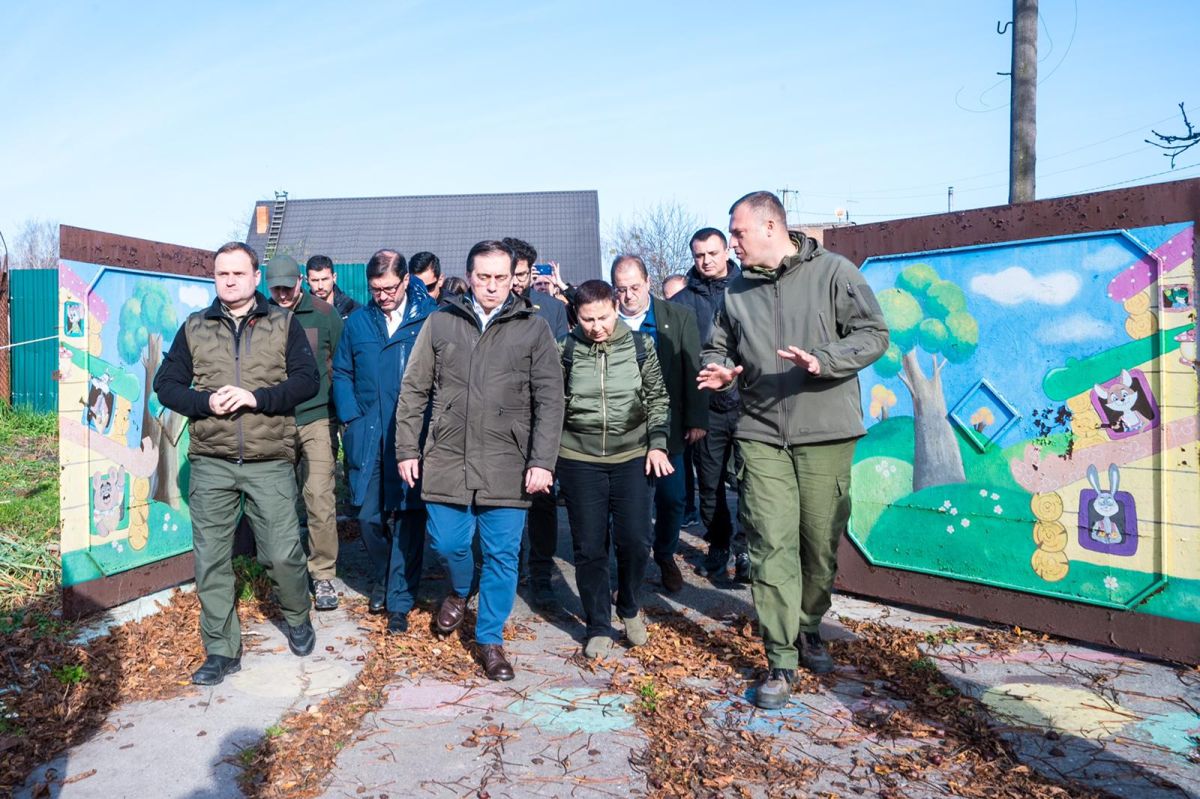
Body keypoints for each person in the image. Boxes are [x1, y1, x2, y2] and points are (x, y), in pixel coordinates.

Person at [698, 191, 889, 708]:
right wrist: (722, 369)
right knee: (769, 544)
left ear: (770, 226)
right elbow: (719, 344)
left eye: (738, 233)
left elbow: (874, 334)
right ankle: (780, 658)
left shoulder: (834, 273)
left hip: (825, 432)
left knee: (818, 545)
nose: (732, 243)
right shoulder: (736, 290)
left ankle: (808, 626)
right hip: (760, 432)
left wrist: (824, 360)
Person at [395, 240, 564, 681]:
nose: (491, 286)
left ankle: (490, 639)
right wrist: (407, 448)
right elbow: (414, 389)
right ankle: (459, 587)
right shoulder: (441, 322)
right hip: (448, 455)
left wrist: (542, 461)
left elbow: (551, 400)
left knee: (502, 554)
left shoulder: (533, 328)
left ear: (513, 279)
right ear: (469, 277)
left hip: (509, 461)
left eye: (500, 278)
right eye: (483, 277)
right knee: (447, 543)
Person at [154, 242, 319, 686]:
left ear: (255, 276)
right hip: (212, 461)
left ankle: (297, 615)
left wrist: (256, 398)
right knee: (211, 559)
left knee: (282, 553)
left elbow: (308, 381)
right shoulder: (195, 327)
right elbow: (166, 385)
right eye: (221, 274)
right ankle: (222, 650)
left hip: (270, 459)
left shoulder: (283, 323)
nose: (229, 281)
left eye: (238, 273)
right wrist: (205, 402)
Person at [557, 280, 672, 658]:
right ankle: (598, 625)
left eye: (603, 318)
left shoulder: (640, 346)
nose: (596, 327)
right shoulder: (566, 349)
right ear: (577, 316)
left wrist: (657, 444)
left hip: (632, 457)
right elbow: (552, 403)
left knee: (636, 540)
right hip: (579, 459)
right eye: (587, 319)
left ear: (616, 308)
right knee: (589, 547)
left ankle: (629, 605)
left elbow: (657, 398)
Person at [331, 249, 438, 633]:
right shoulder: (359, 322)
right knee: (368, 517)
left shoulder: (429, 319)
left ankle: (399, 602)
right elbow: (342, 372)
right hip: (369, 433)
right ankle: (385, 577)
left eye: (390, 288)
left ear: (407, 280)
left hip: (412, 436)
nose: (383, 296)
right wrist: (351, 418)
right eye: (376, 289)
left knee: (408, 517)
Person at [610, 255, 706, 593]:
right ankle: (627, 570)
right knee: (626, 506)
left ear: (648, 282)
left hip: (668, 427)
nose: (628, 296)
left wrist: (696, 417)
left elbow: (692, 367)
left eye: (635, 287)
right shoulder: (606, 320)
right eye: (621, 289)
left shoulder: (677, 317)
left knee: (672, 498)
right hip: (622, 431)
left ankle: (664, 554)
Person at [265, 254, 345, 610]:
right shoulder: (262, 316)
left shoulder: (325, 315)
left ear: (301, 281)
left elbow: (341, 365)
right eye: (276, 289)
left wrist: (341, 415)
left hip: (316, 418)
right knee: (277, 501)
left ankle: (323, 574)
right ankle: (285, 573)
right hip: (275, 420)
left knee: (319, 497)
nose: (282, 295)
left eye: (288, 287)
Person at [671, 228, 750, 583]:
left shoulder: (749, 288)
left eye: (713, 253)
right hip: (706, 408)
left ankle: (747, 549)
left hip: (748, 404)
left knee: (751, 482)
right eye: (699, 255)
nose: (706, 261)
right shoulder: (682, 302)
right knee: (709, 483)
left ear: (726, 252)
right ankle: (718, 545)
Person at [501, 237, 567, 609]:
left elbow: (560, 366)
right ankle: (504, 569)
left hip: (539, 417)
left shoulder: (552, 310)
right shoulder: (490, 308)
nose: (516, 282)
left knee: (543, 499)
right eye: (511, 274)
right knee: (502, 499)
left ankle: (541, 572)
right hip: (501, 418)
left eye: (522, 275)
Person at [306, 255, 360, 319]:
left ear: (334, 278)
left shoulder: (353, 309)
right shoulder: (300, 312)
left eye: (325, 279)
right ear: (307, 280)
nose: (320, 286)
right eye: (315, 280)